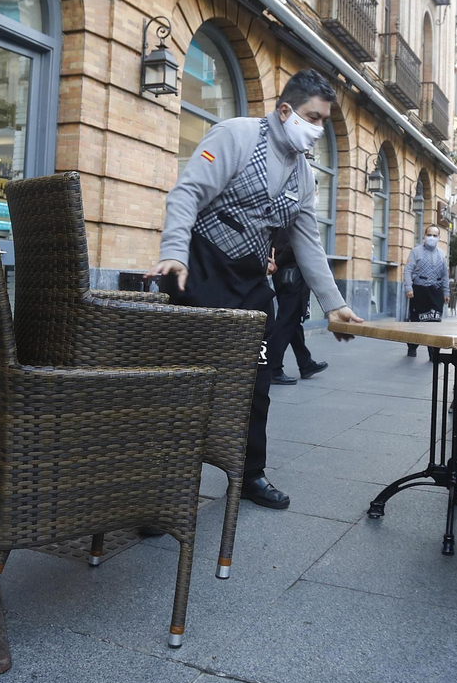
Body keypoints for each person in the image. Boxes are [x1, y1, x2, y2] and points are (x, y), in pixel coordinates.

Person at [146, 69, 364, 510]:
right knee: (181, 385)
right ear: (285, 111)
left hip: (249, 282)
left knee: (256, 382)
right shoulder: (236, 136)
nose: (318, 128)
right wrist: (173, 251)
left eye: (323, 120)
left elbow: (307, 242)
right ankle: (160, 488)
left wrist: (335, 305)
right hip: (197, 272)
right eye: (312, 117)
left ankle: (249, 474)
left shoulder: (305, 176)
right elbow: (186, 194)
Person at [267, 230, 328, 385]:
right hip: (293, 277)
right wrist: (277, 263)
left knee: (292, 322)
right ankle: (274, 369)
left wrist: (275, 264)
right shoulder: (294, 219)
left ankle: (305, 363)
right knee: (286, 322)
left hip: (284, 276)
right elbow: (294, 247)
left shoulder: (280, 219)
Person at [404, 223, 450, 360]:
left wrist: (446, 292)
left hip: (436, 292)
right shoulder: (416, 251)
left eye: (435, 235)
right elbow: (408, 270)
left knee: (435, 323)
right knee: (416, 322)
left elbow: (445, 275)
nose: (432, 238)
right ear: (424, 236)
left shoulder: (442, 254)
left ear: (439, 237)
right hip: (419, 292)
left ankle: (434, 352)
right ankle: (412, 347)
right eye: (429, 235)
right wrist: (408, 288)